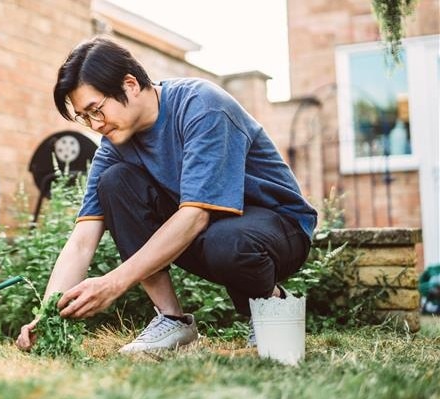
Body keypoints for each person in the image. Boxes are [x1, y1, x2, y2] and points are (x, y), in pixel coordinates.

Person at [16, 37, 317, 354]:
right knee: (114, 182)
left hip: (279, 229)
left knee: (226, 240)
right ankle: (172, 320)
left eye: (96, 110)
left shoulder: (202, 106)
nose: (95, 125)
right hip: (205, 233)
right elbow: (82, 240)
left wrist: (114, 283)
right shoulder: (114, 146)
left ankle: (271, 306)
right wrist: (48, 315)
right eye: (84, 117)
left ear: (130, 84)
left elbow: (195, 215)